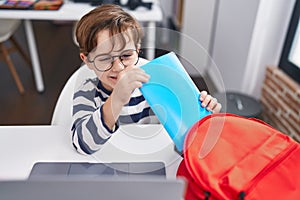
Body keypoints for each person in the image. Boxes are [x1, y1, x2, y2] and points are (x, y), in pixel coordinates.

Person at [72, 4, 222, 155]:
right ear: (87, 61)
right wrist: (116, 99)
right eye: (105, 58)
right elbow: (82, 145)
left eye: (126, 56)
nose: (118, 67)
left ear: (137, 50)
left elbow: (187, 140)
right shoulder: (87, 92)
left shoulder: (155, 81)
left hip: (151, 157)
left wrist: (205, 117)